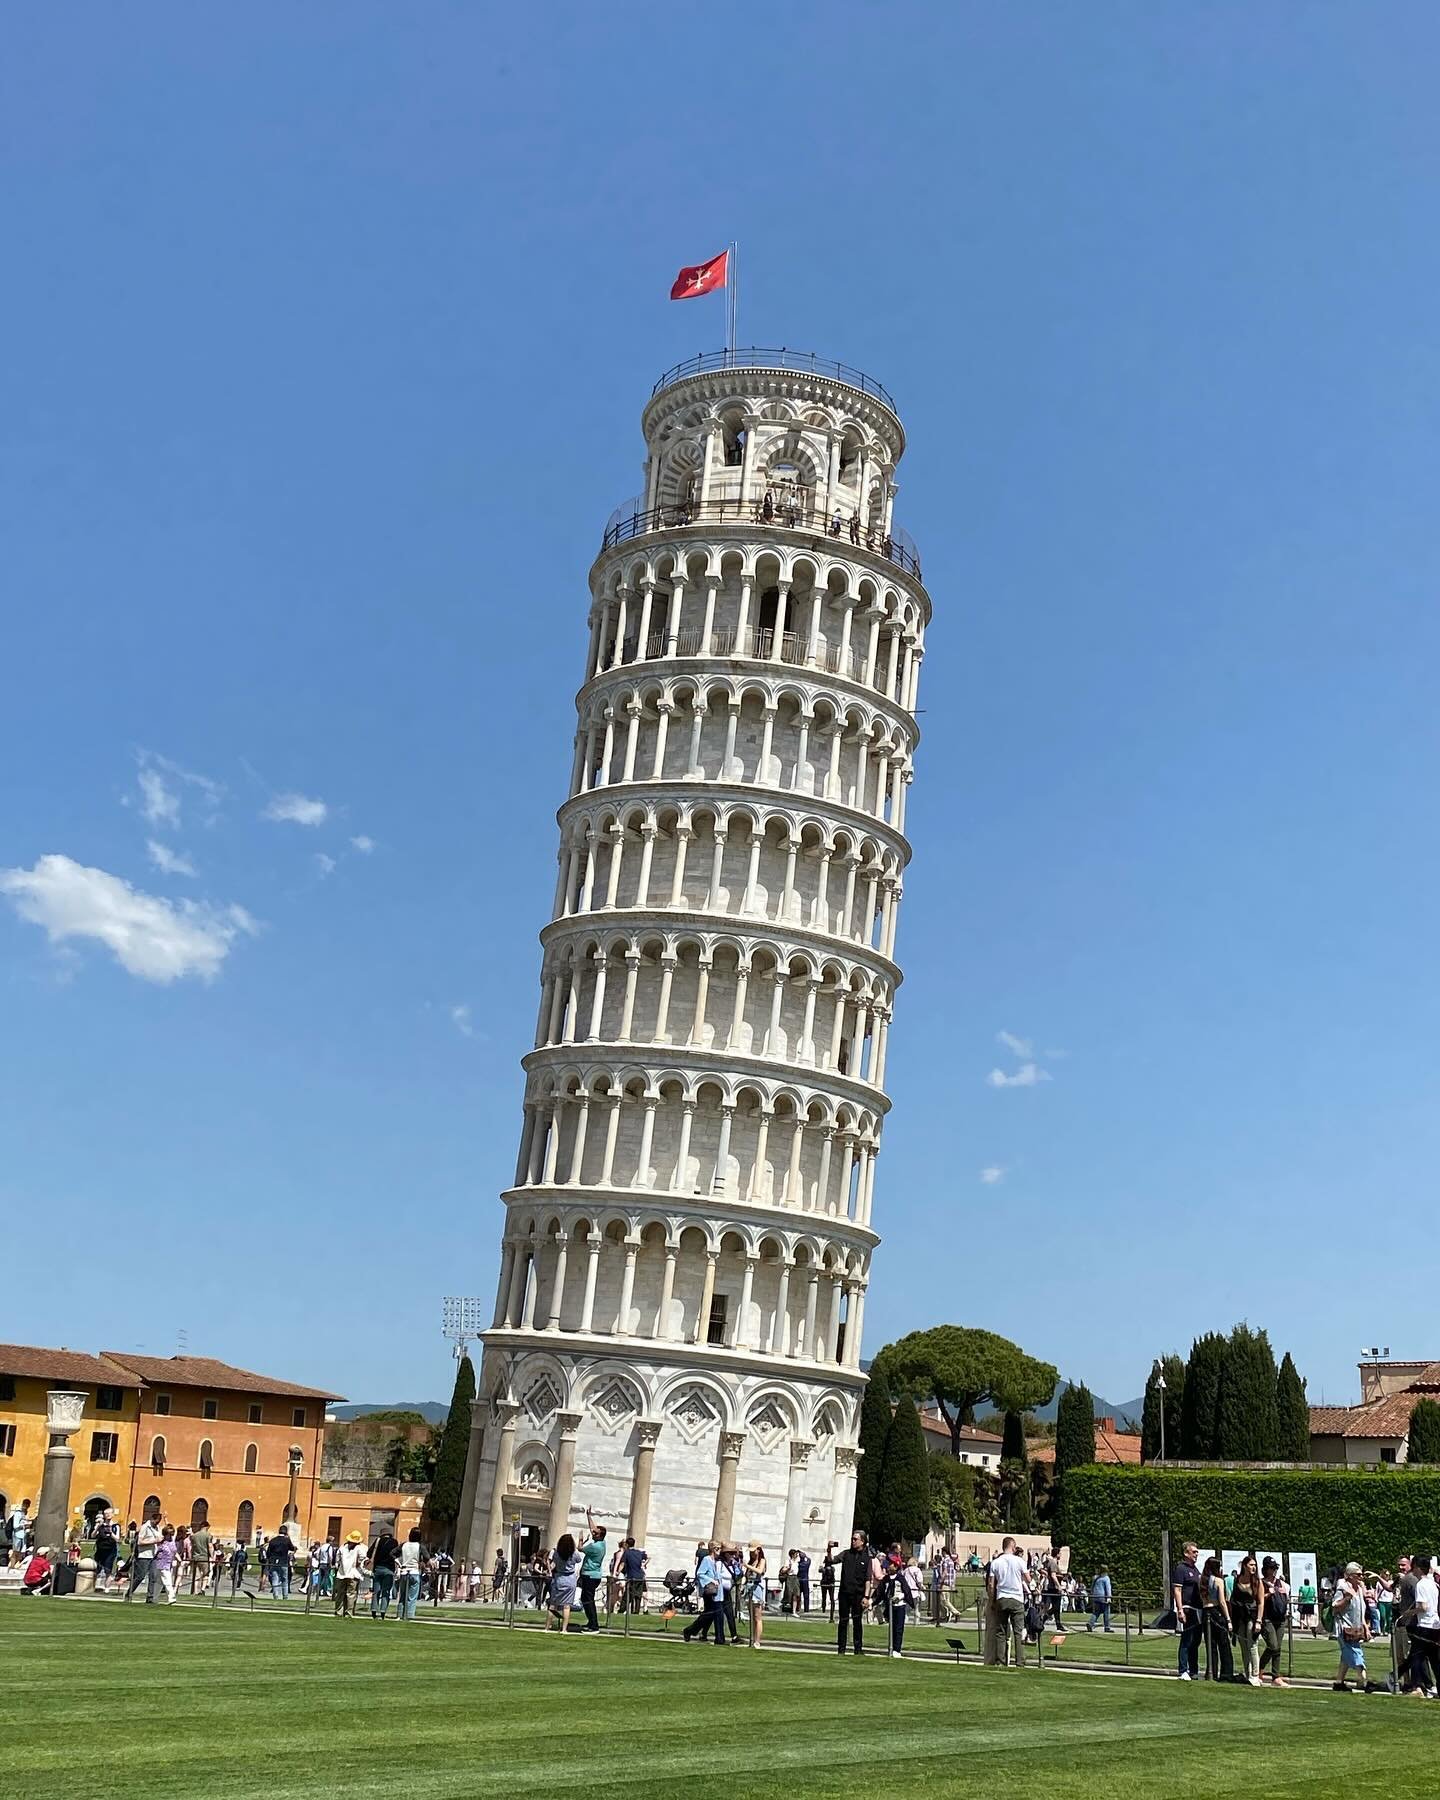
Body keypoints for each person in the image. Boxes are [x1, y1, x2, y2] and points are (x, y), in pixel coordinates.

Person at [987, 1535, 1028, 1668]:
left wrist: (992, 1600)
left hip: (1002, 1597)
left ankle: (1001, 1661)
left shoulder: (996, 1562)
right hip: (1016, 1598)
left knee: (1001, 1632)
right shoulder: (1019, 1561)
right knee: (1018, 1631)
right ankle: (1020, 1661)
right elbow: (1028, 1579)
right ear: (1013, 1547)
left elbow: (991, 1584)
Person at [1330, 1560, 1371, 1693]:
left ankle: (1338, 1682)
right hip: (1344, 1628)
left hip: (1356, 1628)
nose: (1361, 1577)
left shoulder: (1359, 1589)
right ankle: (1363, 1680)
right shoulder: (1343, 1588)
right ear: (1350, 1575)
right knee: (1356, 1653)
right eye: (1358, 1575)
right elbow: (1335, 1608)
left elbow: (1361, 1610)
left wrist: (1365, 1626)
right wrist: (1346, 1599)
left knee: (1346, 1656)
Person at [1406, 1552, 1440, 1698]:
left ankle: (1417, 1688)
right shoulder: (1433, 1584)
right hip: (1434, 1626)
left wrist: (1410, 1612)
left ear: (1419, 1568)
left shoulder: (1420, 1585)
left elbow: (1423, 1607)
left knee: (1416, 1657)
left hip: (1424, 1625)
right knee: (1434, 1659)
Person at [1171, 1542, 1205, 1681]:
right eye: (1194, 1552)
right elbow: (1177, 1590)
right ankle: (1183, 1669)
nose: (1196, 1554)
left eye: (1197, 1552)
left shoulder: (1195, 1569)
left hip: (1198, 1608)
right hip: (1187, 1608)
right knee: (1186, 1640)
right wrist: (1180, 1609)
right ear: (1186, 1553)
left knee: (1196, 1641)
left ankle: (1194, 1669)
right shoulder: (1181, 1569)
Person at [1199, 1556, 1235, 1681]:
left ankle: (1212, 1672)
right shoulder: (1218, 1581)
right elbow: (1222, 1601)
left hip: (1205, 1611)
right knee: (1224, 1645)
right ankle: (1226, 1673)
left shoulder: (1202, 1580)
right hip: (1216, 1612)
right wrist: (1228, 1619)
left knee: (1211, 1645)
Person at [683, 1541, 727, 1646]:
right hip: (710, 1592)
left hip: (718, 1591)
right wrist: (711, 1580)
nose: (720, 1551)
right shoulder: (707, 1560)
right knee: (711, 1614)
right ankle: (718, 1638)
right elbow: (700, 1574)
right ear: (713, 1549)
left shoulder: (717, 1561)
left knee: (713, 1615)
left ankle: (692, 1631)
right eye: (718, 1548)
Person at [1229, 1553, 1264, 1685]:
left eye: (1255, 1565)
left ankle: (1255, 1674)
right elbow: (1233, 1598)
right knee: (1243, 1645)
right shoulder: (1237, 1580)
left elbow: (1261, 1602)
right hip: (1239, 1617)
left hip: (1252, 1616)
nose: (1253, 1567)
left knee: (1252, 1645)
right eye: (1251, 1565)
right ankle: (1247, 1673)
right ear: (1244, 1566)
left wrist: (1259, 1621)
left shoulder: (1257, 1582)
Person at [836, 1529, 870, 1655]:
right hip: (845, 1593)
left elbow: (868, 1579)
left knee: (857, 1621)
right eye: (852, 1539)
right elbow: (832, 1560)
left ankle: (858, 1648)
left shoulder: (866, 1558)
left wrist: (866, 1596)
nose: (853, 1541)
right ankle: (841, 1648)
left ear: (862, 1541)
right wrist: (829, 1550)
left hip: (858, 1594)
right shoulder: (846, 1554)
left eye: (855, 1539)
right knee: (843, 1621)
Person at [886, 1551, 924, 1659]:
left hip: (901, 1603)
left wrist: (901, 1597)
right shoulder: (889, 1578)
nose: (888, 1565)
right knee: (893, 1628)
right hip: (892, 1605)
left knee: (899, 1627)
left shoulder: (901, 1576)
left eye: (891, 1563)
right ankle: (892, 1647)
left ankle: (897, 1649)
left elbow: (905, 1590)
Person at [1259, 1557, 1290, 1686]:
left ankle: (1275, 1676)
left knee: (1278, 1648)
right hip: (1267, 1618)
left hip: (1280, 1618)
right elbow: (1258, 1600)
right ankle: (1259, 1669)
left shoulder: (1280, 1583)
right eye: (1271, 1568)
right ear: (1265, 1569)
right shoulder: (1261, 1583)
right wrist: (1268, 1594)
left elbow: (1285, 1597)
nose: (1274, 1571)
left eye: (1275, 1568)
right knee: (1273, 1645)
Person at [575, 1510, 607, 1634]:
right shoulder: (602, 1543)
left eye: (595, 1533)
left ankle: (594, 1626)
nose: (593, 1532)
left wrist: (582, 1539)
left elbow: (580, 1548)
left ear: (599, 1535)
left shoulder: (594, 1547)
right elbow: (594, 1528)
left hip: (590, 1575)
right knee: (586, 1599)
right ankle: (591, 1622)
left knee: (588, 1600)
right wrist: (589, 1515)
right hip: (594, 1575)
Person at [125, 1513, 162, 1603]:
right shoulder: (145, 1527)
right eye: (156, 1521)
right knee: (140, 1576)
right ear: (153, 1519)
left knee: (153, 1576)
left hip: (153, 1555)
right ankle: (129, 1593)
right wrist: (153, 1541)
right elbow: (140, 1542)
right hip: (144, 1555)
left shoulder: (157, 1528)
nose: (157, 1523)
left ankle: (150, 1597)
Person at [549, 1533, 581, 1633]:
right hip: (570, 1579)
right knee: (566, 1606)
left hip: (559, 1578)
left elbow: (553, 1563)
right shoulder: (574, 1553)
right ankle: (564, 1629)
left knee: (553, 1605)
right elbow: (579, 1560)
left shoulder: (556, 1553)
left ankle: (547, 1626)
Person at [369, 1528, 401, 1619]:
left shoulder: (378, 1541)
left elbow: (369, 1553)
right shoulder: (394, 1542)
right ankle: (383, 1611)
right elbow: (397, 1555)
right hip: (389, 1569)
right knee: (386, 1591)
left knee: (376, 1591)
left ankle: (374, 1611)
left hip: (377, 1568)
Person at [335, 1532, 366, 1618]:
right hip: (353, 1574)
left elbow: (337, 1560)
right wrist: (358, 1564)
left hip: (342, 1573)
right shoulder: (360, 1548)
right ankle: (349, 1612)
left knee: (340, 1594)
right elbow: (363, 1558)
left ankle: (339, 1611)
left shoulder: (342, 1547)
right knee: (351, 1594)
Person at [396, 1528, 424, 1621]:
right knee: (412, 1596)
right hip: (414, 1571)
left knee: (402, 1595)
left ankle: (400, 1614)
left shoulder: (404, 1545)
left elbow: (392, 1553)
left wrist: (398, 1562)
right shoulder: (419, 1546)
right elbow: (427, 1557)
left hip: (404, 1571)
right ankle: (409, 1615)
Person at [744, 1544, 768, 1649]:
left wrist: (747, 1566)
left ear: (758, 1550)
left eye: (753, 1551)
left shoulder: (762, 1560)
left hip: (756, 1587)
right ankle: (752, 1638)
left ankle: (757, 1641)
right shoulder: (751, 1561)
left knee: (757, 1616)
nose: (752, 1553)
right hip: (749, 1587)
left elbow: (759, 1571)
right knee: (752, 1616)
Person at [151, 1525, 181, 1605]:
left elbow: (174, 1552)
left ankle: (154, 1598)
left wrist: (178, 1559)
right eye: (169, 1534)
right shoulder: (161, 1543)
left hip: (168, 1564)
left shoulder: (172, 1542)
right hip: (162, 1564)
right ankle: (171, 1598)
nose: (171, 1536)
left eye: (172, 1534)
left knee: (159, 1582)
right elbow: (156, 1552)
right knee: (168, 1581)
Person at [265, 1527, 295, 1601]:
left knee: (275, 1579)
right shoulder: (286, 1540)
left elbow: (268, 1553)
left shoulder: (273, 1540)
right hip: (283, 1562)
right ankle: (285, 1596)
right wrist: (289, 1539)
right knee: (285, 1580)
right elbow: (292, 1548)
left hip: (274, 1562)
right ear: (286, 1532)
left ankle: (276, 1596)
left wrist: (271, 1559)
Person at [92, 1510, 119, 1591]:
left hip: (110, 1551)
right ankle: (92, 1587)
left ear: (112, 1514)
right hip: (100, 1550)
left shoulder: (115, 1526)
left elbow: (117, 1539)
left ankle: (107, 1588)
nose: (107, 1515)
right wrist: (97, 1527)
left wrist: (111, 1533)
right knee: (96, 1569)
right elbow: (93, 1535)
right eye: (106, 1514)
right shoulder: (100, 1525)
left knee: (108, 1570)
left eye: (109, 1513)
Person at [619, 1536, 648, 1614]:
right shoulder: (639, 1552)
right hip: (640, 1577)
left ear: (627, 1544)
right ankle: (636, 1611)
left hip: (632, 1576)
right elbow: (646, 1557)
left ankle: (621, 1610)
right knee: (638, 1595)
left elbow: (622, 1564)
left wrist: (617, 1572)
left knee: (628, 1594)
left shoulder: (627, 1552)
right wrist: (644, 1564)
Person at [1087, 1565, 1113, 1632]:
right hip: (1103, 1597)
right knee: (1106, 1612)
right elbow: (1108, 1588)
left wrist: (1092, 1595)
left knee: (1096, 1612)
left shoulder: (1095, 1578)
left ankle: (1091, 1623)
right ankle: (1107, 1627)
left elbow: (1092, 1587)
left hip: (1096, 1596)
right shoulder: (1106, 1578)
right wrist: (1109, 1597)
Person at [7, 1498, 31, 1565]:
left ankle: (16, 1565)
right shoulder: (18, 1513)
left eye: (28, 1505)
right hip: (17, 1535)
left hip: (23, 1535)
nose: (26, 1506)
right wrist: (24, 1525)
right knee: (15, 1551)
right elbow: (15, 1526)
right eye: (25, 1504)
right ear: (23, 1504)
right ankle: (12, 1565)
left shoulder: (25, 1513)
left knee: (21, 1552)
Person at [820, 1540, 838, 1621]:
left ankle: (831, 1613)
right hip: (825, 1583)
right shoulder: (825, 1568)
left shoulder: (831, 1568)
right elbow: (820, 1570)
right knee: (825, 1597)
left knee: (831, 1598)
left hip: (830, 1583)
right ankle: (824, 1608)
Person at [797, 1547, 812, 1614]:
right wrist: (805, 1555)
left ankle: (798, 1608)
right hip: (805, 1580)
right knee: (806, 1595)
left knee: (798, 1595)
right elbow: (809, 1559)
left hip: (799, 1579)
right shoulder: (807, 1563)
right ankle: (806, 1609)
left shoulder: (799, 1564)